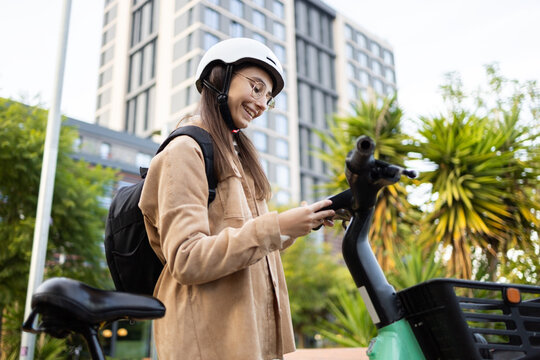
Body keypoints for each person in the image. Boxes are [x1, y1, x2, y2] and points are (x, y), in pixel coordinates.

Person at [139, 37, 335, 360]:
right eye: (257, 88)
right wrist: (275, 227)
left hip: (246, 338)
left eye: (268, 98)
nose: (261, 104)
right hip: (207, 341)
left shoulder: (239, 158)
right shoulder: (185, 151)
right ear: (220, 77)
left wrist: (295, 225)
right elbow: (186, 257)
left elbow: (247, 238)